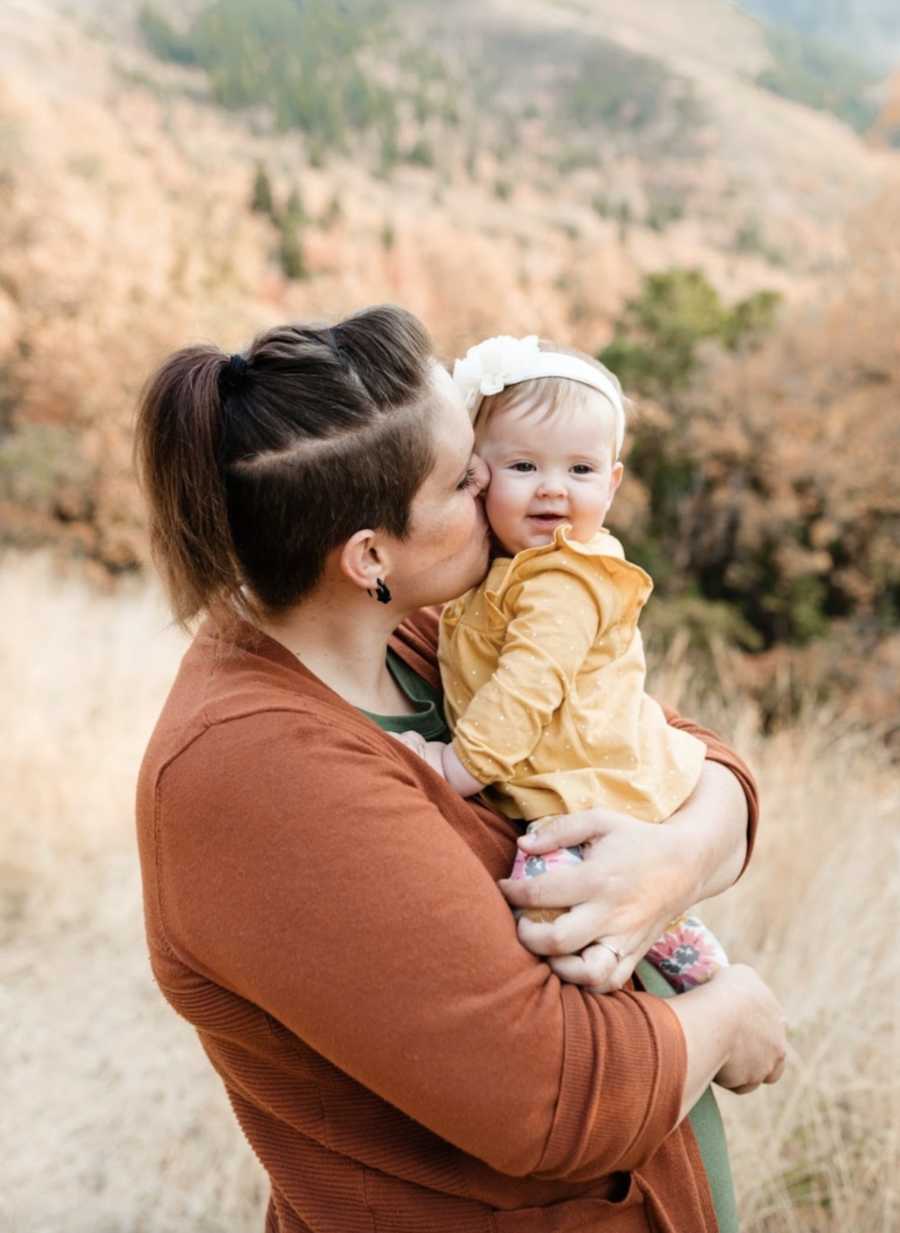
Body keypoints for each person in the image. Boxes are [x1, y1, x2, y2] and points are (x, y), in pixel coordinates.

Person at [134, 304, 786, 1233]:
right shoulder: (258, 778)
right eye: (464, 475)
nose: (501, 486)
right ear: (369, 554)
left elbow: (684, 746)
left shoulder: (414, 635)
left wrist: (676, 859)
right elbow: (552, 1096)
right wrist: (729, 1014)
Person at [398, 333, 727, 994]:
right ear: (478, 474)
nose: (552, 490)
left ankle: (692, 983)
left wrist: (454, 767)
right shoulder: (509, 569)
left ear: (611, 483)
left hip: (590, 794)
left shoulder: (563, 579)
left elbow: (527, 686)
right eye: (523, 467)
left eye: (579, 471)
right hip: (570, 786)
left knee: (551, 910)